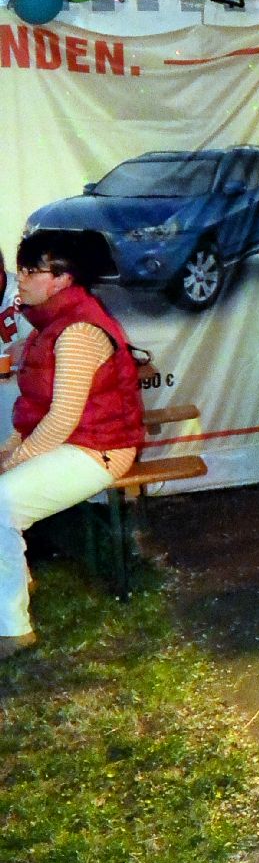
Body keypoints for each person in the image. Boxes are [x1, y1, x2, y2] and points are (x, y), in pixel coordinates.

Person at [0, 230, 145, 654]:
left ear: (62, 280)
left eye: (32, 271)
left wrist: (13, 460)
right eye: (22, 269)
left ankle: (12, 628)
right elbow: (37, 409)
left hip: (100, 449)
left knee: (2, 503)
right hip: (75, 441)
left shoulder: (78, 330)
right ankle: (16, 579)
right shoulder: (50, 324)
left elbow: (61, 419)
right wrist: (10, 447)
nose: (22, 279)